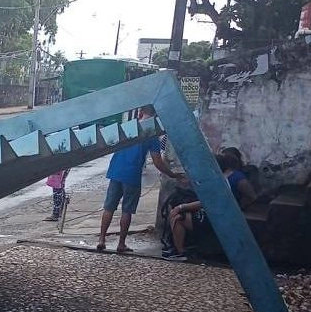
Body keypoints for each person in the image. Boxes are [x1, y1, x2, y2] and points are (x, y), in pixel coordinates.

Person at [97, 105, 184, 254]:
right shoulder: (151, 134)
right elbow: (157, 161)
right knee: (127, 210)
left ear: (140, 113)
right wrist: (172, 174)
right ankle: (121, 244)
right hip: (132, 175)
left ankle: (102, 240)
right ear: (155, 116)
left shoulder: (126, 127)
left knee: (109, 207)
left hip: (116, 171)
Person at [163, 153, 257, 262]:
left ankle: (180, 252)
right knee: (179, 212)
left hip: (215, 218)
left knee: (179, 217)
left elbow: (207, 202)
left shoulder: (220, 181)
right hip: (215, 214)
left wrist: (181, 207)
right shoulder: (221, 178)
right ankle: (179, 249)